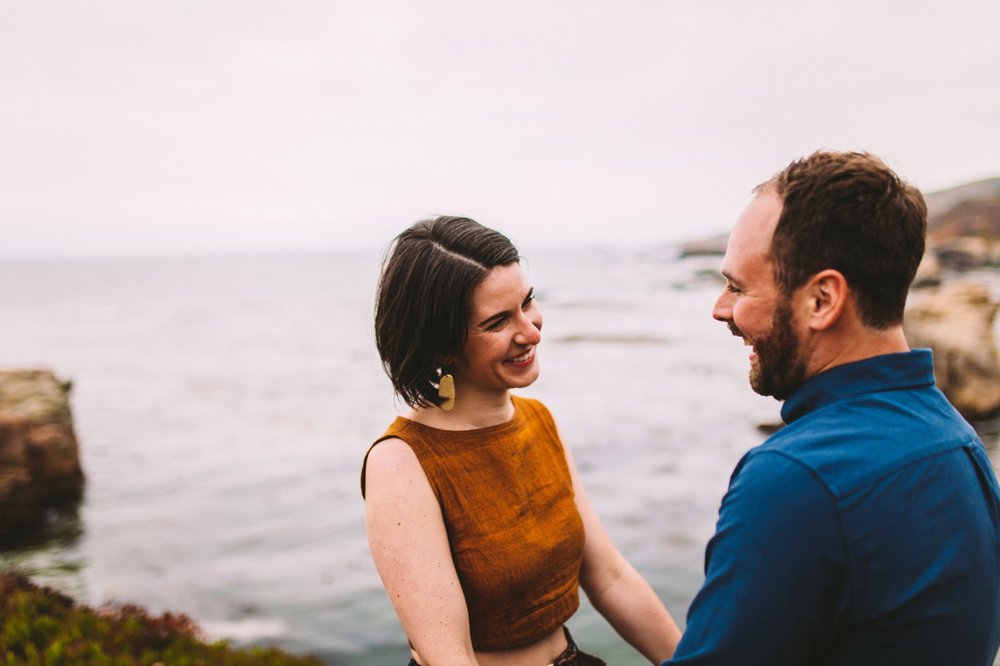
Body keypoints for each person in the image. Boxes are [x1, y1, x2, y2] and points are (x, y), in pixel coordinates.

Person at [665, 151, 1000, 665]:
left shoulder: (796, 479)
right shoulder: (960, 443)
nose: (721, 309)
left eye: (737, 286)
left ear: (822, 299)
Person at [362, 216, 681, 666]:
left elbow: (610, 578)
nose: (531, 331)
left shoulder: (539, 419)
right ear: (439, 343)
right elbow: (447, 657)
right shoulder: (400, 462)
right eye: (498, 322)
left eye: (527, 302)